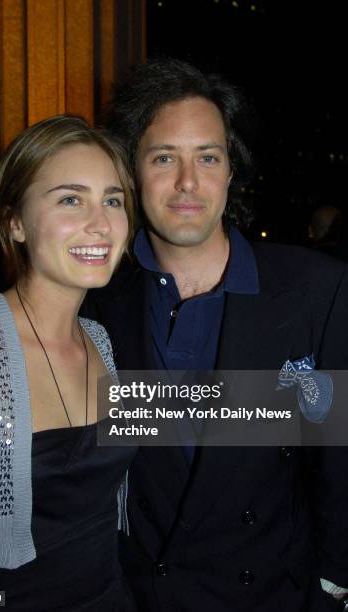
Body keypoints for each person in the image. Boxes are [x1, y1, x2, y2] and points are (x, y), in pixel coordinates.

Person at [82, 59, 348, 611]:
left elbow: (338, 462)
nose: (187, 182)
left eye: (207, 157)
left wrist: (332, 586)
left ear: (231, 171)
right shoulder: (96, 302)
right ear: (131, 172)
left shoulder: (315, 290)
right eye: (163, 158)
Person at [0, 115, 137, 611]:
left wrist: (302, 405)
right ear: (15, 222)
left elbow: (216, 412)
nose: (101, 223)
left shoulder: (101, 341)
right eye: (71, 199)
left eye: (112, 200)